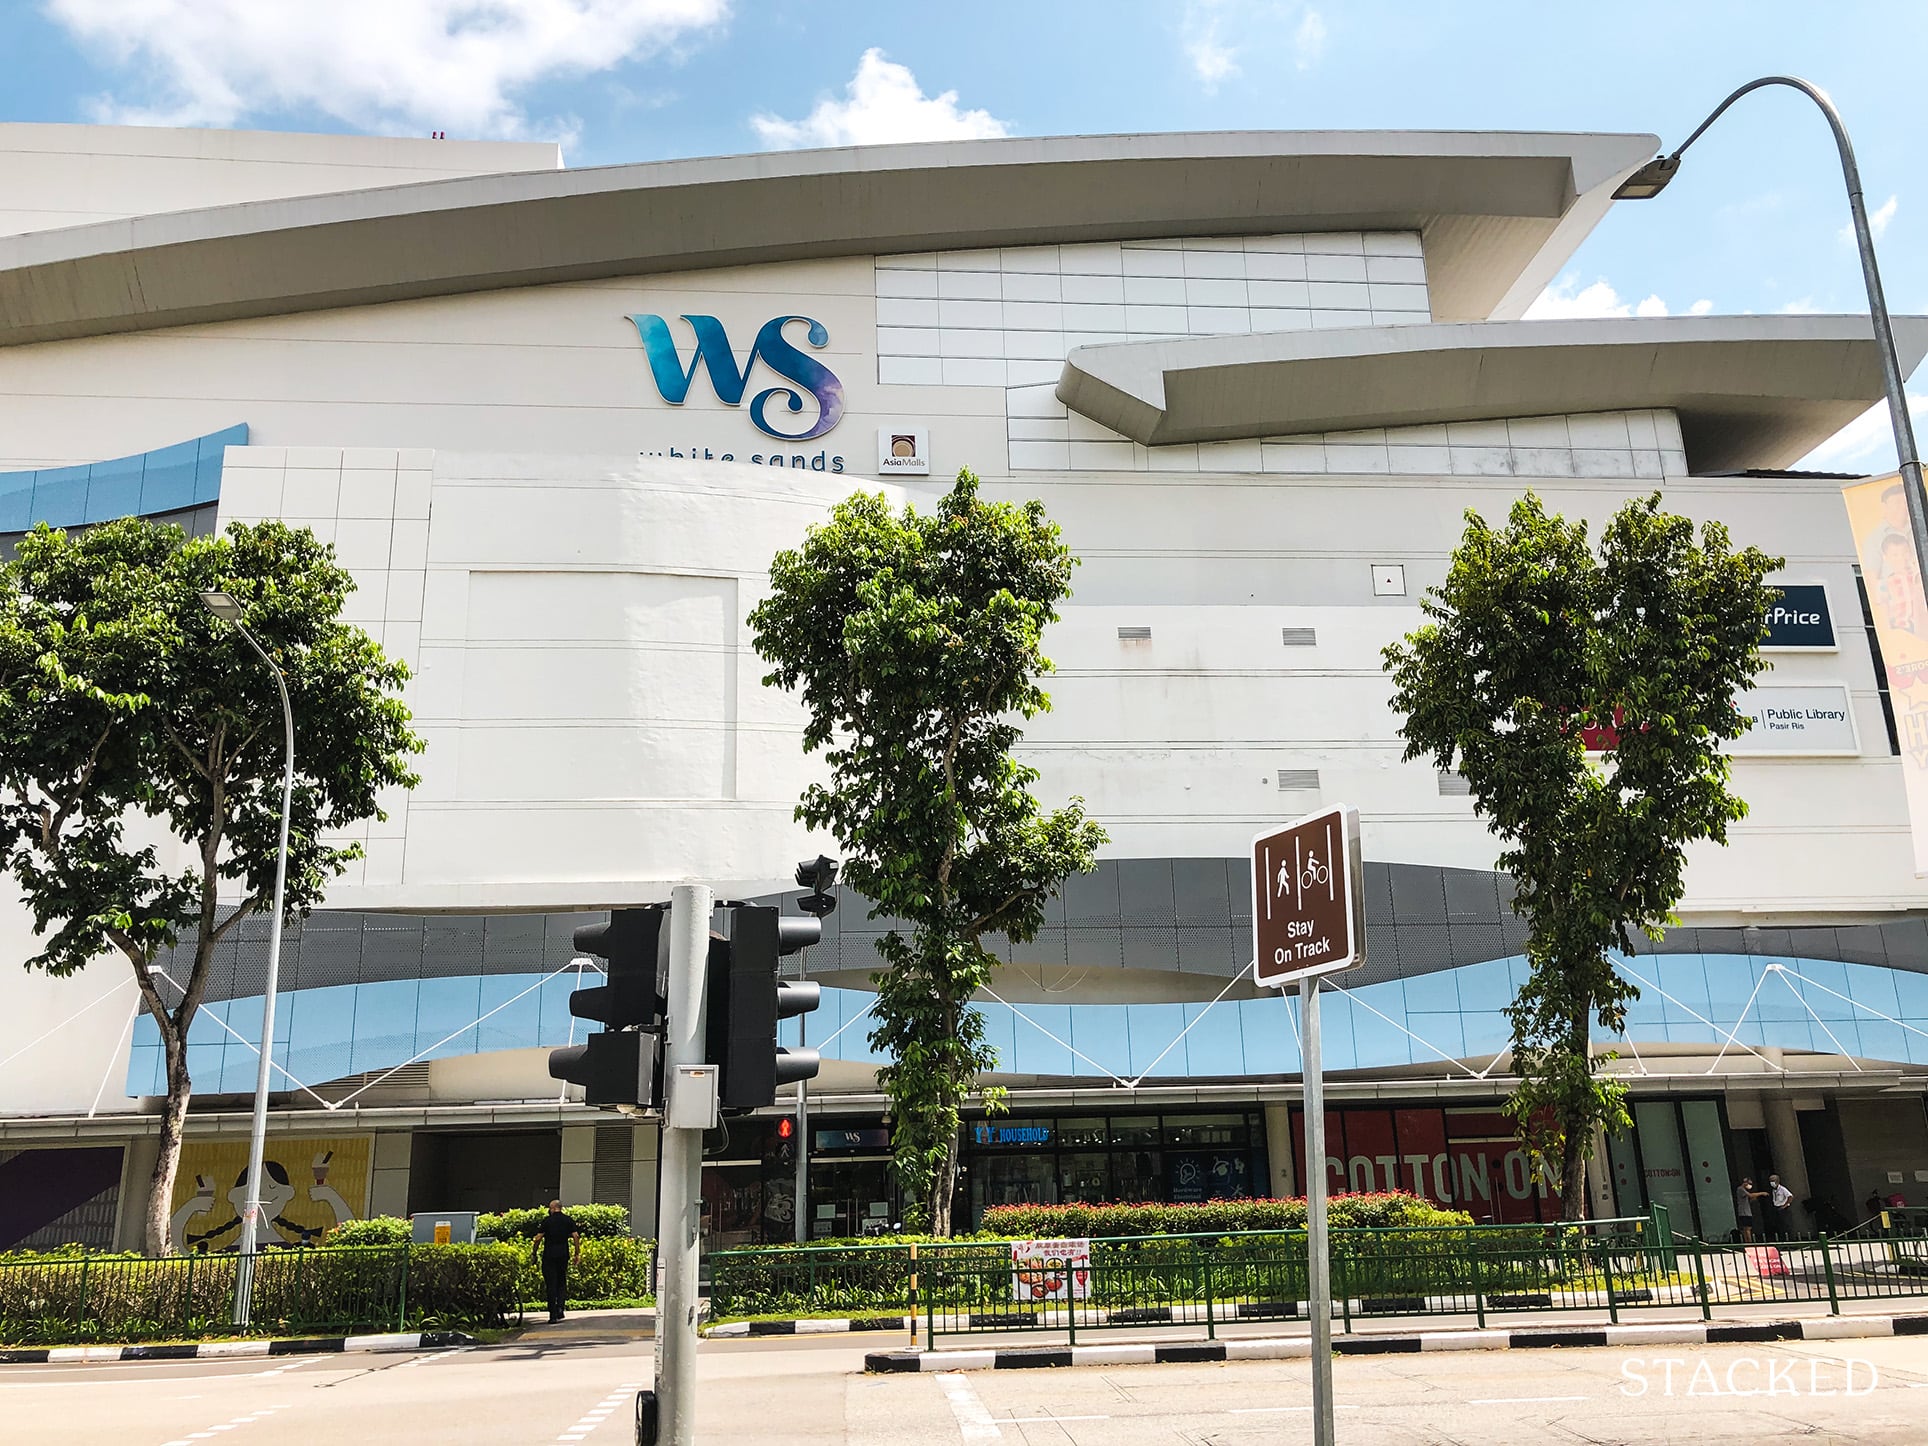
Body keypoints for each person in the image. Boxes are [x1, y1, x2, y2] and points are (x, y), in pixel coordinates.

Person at [533, 1199, 581, 1323]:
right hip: (563, 1254)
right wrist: (577, 1253)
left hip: (549, 1255)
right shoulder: (568, 1220)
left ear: (552, 1208)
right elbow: (576, 1236)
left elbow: (538, 1238)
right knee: (561, 1281)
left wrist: (534, 1252)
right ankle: (560, 1307)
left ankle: (552, 1314)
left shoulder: (547, 1221)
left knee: (551, 1283)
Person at [1734, 1178, 1764, 1243]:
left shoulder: (1743, 1191)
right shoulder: (1740, 1189)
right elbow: (1750, 1195)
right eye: (1749, 1183)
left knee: (1746, 1229)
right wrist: (1761, 1193)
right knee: (1747, 1229)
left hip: (1746, 1211)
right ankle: (1749, 1243)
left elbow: (1747, 1200)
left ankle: (1747, 1242)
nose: (1750, 1185)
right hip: (1744, 1212)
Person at [1766, 1174, 1794, 1240]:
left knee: (1785, 1224)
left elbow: (1790, 1196)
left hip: (1783, 1208)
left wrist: (1785, 1205)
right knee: (1778, 1224)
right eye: (1770, 1181)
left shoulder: (1782, 1189)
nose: (1771, 1183)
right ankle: (1781, 1238)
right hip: (1776, 1207)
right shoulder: (1773, 1190)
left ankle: (1788, 1239)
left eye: (1773, 1181)